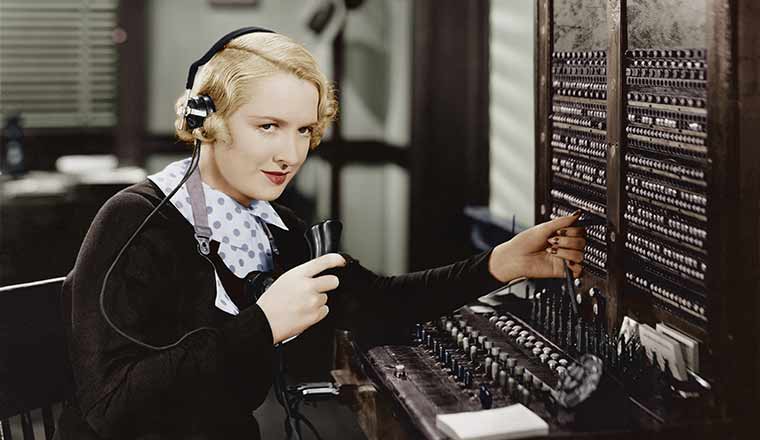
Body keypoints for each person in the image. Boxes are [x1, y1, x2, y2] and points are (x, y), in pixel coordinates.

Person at [54, 29, 586, 440]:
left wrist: (501, 264)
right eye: (268, 126)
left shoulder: (272, 226)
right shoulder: (134, 221)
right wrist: (262, 325)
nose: (290, 154)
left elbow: (379, 301)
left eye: (304, 130)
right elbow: (110, 407)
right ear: (206, 123)